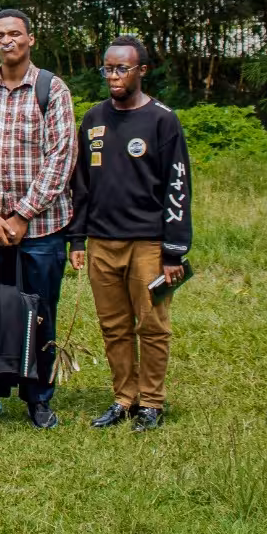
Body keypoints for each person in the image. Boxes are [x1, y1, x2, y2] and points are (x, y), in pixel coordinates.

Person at [0, 9, 76, 429]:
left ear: (30, 39)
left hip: (40, 228)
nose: (7, 41)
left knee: (40, 312)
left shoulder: (51, 89)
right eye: (0, 35)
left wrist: (22, 214)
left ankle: (38, 397)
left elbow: (61, 157)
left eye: (15, 34)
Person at [69, 35, 192, 433]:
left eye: (122, 68)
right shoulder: (93, 118)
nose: (113, 76)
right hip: (102, 242)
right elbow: (81, 183)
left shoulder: (162, 119)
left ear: (142, 70)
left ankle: (152, 402)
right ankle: (125, 397)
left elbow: (178, 187)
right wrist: (77, 238)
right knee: (114, 326)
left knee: (152, 325)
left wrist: (174, 252)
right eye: (108, 68)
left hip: (150, 245)